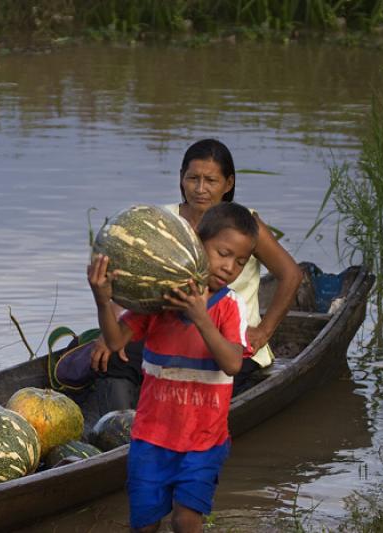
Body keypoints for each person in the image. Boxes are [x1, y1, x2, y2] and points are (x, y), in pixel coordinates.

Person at [86, 139, 301, 423]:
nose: (201, 189)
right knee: (113, 358)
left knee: (206, 377)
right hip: (169, 330)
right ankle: (119, 431)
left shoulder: (243, 226)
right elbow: (128, 282)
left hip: (229, 338)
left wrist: (262, 332)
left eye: (211, 180)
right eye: (193, 179)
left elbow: (291, 275)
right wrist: (110, 318)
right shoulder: (162, 221)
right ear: (181, 179)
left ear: (228, 183)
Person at [88, 202, 259, 533]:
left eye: (240, 261)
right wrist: (102, 300)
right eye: (222, 253)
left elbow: (233, 363)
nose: (229, 267)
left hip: (204, 441)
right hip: (151, 439)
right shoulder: (158, 302)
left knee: (186, 520)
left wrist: (201, 318)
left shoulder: (229, 306)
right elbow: (114, 341)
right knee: (145, 524)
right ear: (196, 244)